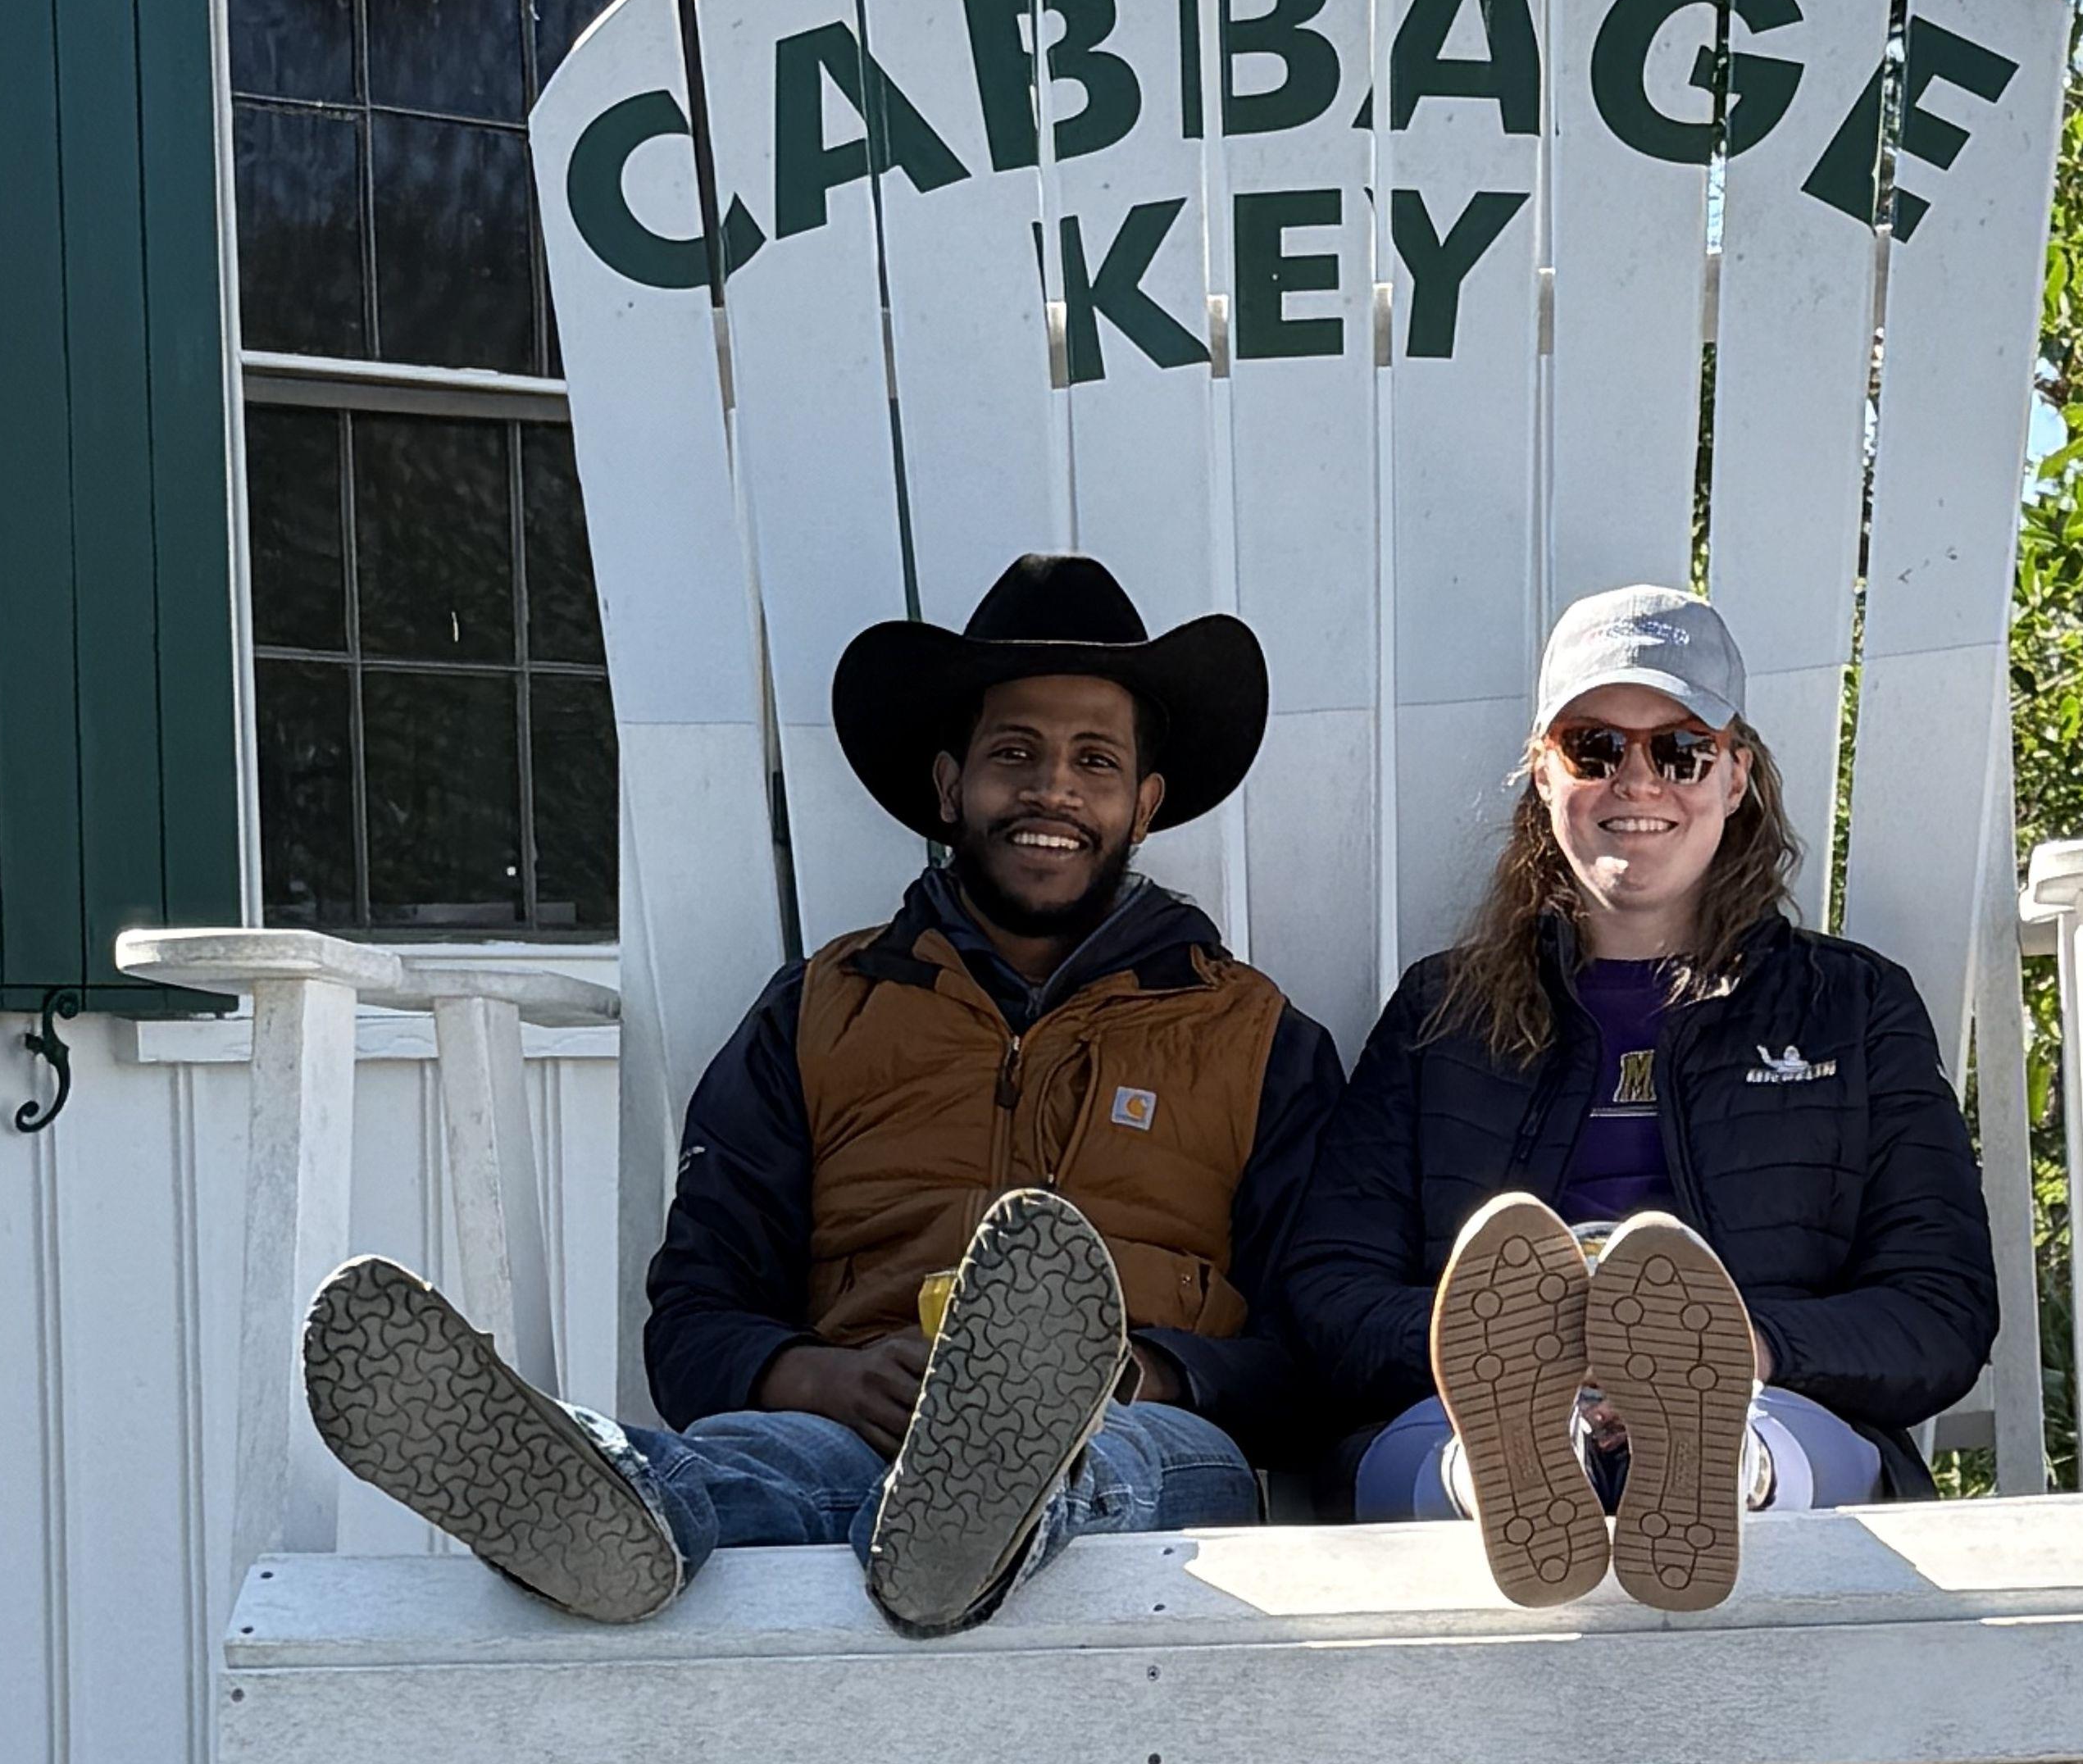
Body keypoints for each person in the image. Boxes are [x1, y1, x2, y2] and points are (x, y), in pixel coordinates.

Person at [300, 553, 1340, 1636]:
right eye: (1014, 755)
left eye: (1095, 761)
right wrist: (822, 1378)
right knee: (751, 1460)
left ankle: (995, 1506)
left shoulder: (1256, 1037)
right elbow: (697, 1314)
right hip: (861, 1428)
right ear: (950, 788)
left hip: (1148, 1440)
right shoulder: (818, 1014)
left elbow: (1312, 1347)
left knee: (1114, 1463)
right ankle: (606, 1504)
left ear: (1147, 803)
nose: (1053, 791)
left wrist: (1139, 1375)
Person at [1276, 582, 1996, 1613]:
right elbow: (1328, 1289)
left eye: (1682, 749)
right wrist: (1530, 1353)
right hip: (1471, 1403)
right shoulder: (1443, 1012)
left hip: (1772, 1397)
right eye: (1595, 747)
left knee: (1768, 1439)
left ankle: (1719, 1470)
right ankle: (1512, 1475)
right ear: (1543, 771)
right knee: (1450, 1452)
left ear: (1738, 773)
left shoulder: (1852, 1007)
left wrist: (1743, 1349)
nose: (1638, 778)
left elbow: (1940, 1306)